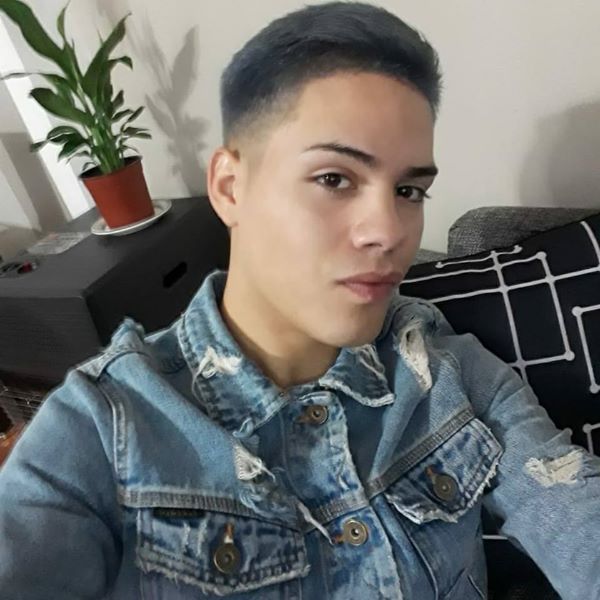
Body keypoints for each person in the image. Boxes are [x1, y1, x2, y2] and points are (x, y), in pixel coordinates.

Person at [0, 2, 598, 599]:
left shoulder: (444, 371)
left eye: (409, 190)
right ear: (230, 188)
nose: (388, 231)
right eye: (334, 178)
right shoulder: (99, 432)